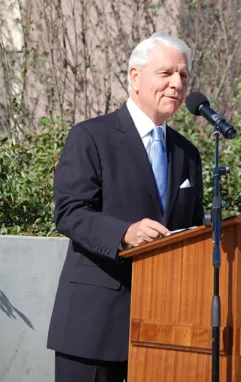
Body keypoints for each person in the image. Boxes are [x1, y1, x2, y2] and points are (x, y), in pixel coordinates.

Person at [47, 32, 204, 382]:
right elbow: (69, 212)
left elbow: (190, 228)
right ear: (135, 76)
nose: (177, 84)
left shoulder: (187, 152)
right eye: (166, 73)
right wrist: (124, 233)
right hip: (95, 327)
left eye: (183, 76)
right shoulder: (91, 136)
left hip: (164, 332)